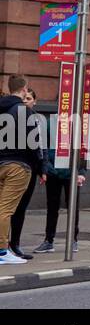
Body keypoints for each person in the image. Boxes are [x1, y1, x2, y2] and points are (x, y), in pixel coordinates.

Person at [0, 76, 38, 266]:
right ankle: (2, 251)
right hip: (18, 164)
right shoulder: (23, 111)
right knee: (6, 209)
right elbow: (33, 142)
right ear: (24, 89)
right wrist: (37, 165)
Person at [34, 144, 85, 253]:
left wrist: (81, 172)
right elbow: (43, 147)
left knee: (73, 208)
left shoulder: (74, 127)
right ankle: (48, 241)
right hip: (53, 172)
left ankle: (73, 240)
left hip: (71, 173)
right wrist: (44, 169)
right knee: (52, 208)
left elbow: (83, 147)